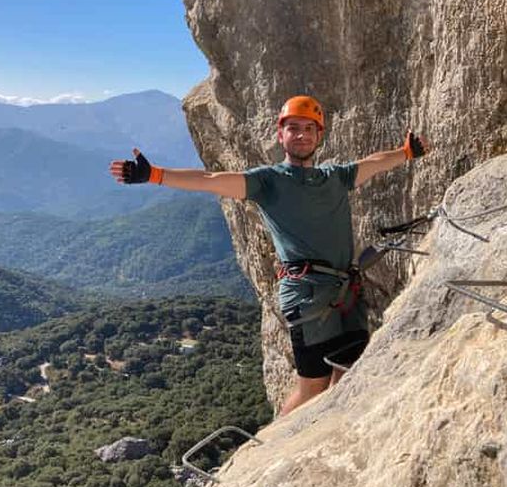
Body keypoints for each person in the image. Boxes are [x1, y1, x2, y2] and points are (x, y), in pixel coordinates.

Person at [109, 95, 428, 415]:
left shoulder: (336, 177)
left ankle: (324, 432)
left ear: (319, 136)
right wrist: (156, 175)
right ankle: (275, 447)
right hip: (307, 298)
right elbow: (210, 181)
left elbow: (373, 164)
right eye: (293, 128)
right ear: (281, 135)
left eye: (308, 128)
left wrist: (405, 153)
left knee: (348, 369)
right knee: (312, 387)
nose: (301, 135)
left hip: (347, 293)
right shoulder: (268, 182)